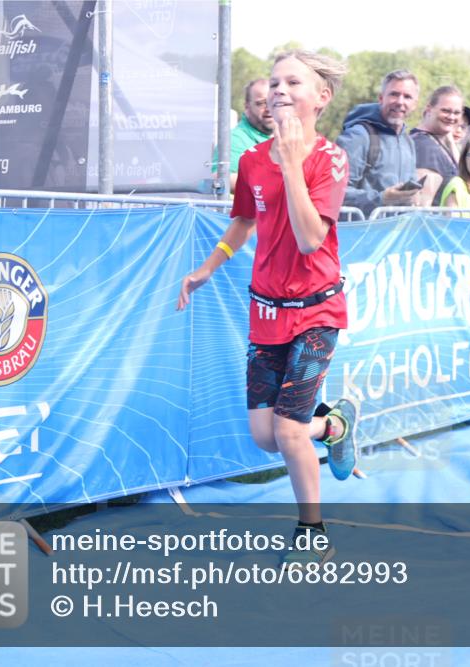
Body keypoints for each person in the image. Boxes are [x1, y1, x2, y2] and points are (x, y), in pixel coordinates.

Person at [176, 50, 359, 564]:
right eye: (274, 82)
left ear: (320, 98)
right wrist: (208, 267)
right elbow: (243, 220)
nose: (278, 90)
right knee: (264, 437)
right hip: (265, 310)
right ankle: (336, 425)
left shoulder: (331, 159)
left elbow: (307, 239)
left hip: (318, 311)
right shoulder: (251, 160)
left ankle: (312, 532)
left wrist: (293, 161)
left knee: (287, 428)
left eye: (292, 82)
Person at [335, 70, 420, 215]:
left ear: (415, 104)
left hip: (396, 234)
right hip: (361, 234)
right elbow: (335, 191)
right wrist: (381, 199)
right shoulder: (358, 136)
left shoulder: (408, 141)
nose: (400, 102)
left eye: (407, 97)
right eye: (394, 94)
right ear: (381, 98)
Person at [215, 79, 275, 190]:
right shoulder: (235, 139)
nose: (269, 109)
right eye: (261, 103)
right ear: (247, 106)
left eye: (273, 102)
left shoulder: (281, 137)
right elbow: (219, 178)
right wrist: (274, 184)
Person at [411, 85, 463, 206]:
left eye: (457, 113)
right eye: (445, 111)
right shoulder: (423, 145)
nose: (451, 117)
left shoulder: (437, 141)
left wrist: (450, 142)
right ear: (429, 109)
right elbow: (421, 205)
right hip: (433, 223)